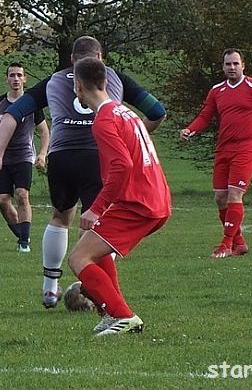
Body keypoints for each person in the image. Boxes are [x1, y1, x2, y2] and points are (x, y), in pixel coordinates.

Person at [0, 36, 167, 308]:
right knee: (97, 226)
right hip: (98, 157)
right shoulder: (115, 79)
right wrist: (136, 133)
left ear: (72, 60)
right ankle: (99, 291)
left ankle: (49, 288)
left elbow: (12, 114)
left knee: (60, 217)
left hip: (62, 157)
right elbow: (157, 110)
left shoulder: (54, 80)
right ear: (100, 60)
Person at [67, 57, 171, 336]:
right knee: (95, 247)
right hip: (155, 198)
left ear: (78, 86)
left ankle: (124, 316)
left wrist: (95, 208)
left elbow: (122, 166)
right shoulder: (127, 112)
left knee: (78, 259)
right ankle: (109, 313)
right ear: (105, 82)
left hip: (138, 203)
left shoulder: (103, 120)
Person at [180, 49, 252, 259]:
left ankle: (226, 244)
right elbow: (205, 116)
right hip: (224, 148)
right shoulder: (217, 90)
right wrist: (189, 129)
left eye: (236, 64)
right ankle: (239, 243)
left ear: (243, 65)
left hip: (247, 147)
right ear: (223, 67)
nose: (232, 67)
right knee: (220, 198)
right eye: (228, 64)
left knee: (235, 194)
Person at [0, 62, 50, 252]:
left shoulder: (32, 104)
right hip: (2, 158)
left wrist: (42, 154)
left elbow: (45, 132)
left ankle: (24, 241)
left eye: (19, 75)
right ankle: (22, 235)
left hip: (23, 156)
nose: (16, 79)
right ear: (6, 79)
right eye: (12, 75)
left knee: (22, 195)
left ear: (25, 79)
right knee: (3, 200)